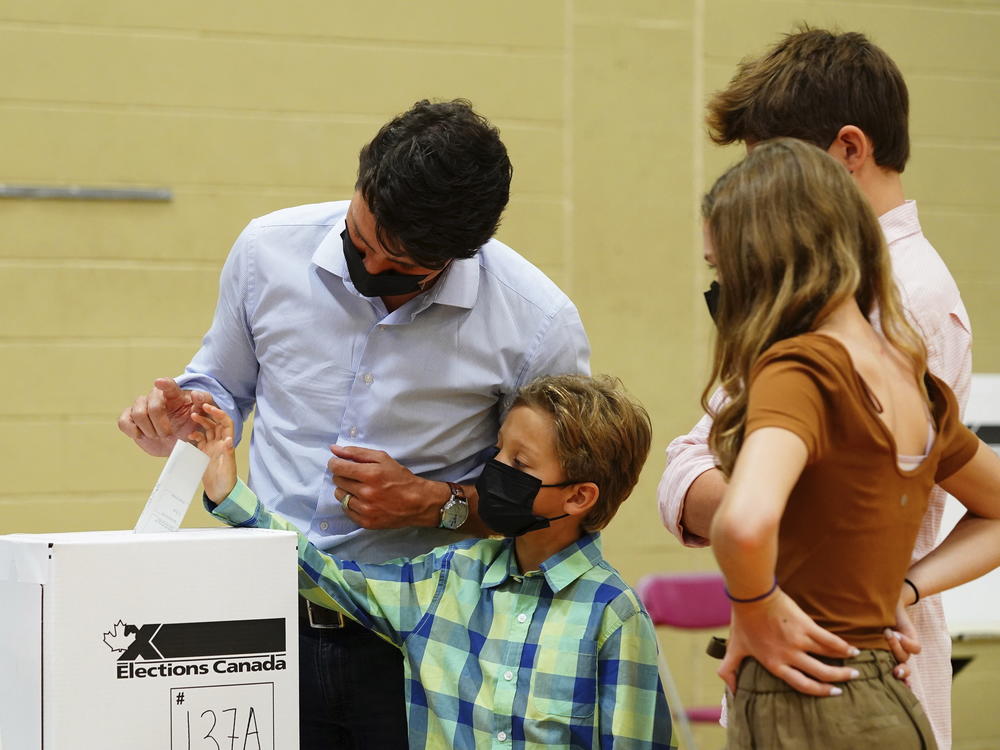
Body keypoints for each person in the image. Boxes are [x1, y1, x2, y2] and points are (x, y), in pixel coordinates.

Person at [117, 99, 590, 748]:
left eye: (397, 265)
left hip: (423, 642)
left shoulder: (536, 325)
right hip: (262, 618)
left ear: (459, 254)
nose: (365, 267)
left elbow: (549, 509)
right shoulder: (266, 252)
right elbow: (219, 385)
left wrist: (433, 503)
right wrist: (177, 417)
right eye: (357, 238)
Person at [657, 27, 971, 748]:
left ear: (847, 154)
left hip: (828, 667)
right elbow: (692, 463)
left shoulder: (855, 329)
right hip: (830, 661)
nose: (753, 202)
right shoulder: (827, 319)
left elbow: (745, 509)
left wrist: (755, 595)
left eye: (774, 172)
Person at [701, 138, 1000, 750]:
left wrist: (755, 608)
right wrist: (903, 589)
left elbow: (743, 523)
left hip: (806, 698)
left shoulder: (800, 368)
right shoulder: (911, 377)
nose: (720, 286)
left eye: (720, 266)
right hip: (890, 698)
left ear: (764, 260)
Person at [190, 374, 674, 749]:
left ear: (578, 497)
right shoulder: (447, 576)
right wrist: (231, 496)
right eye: (498, 451)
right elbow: (328, 577)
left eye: (521, 464)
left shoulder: (614, 615)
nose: (496, 471)